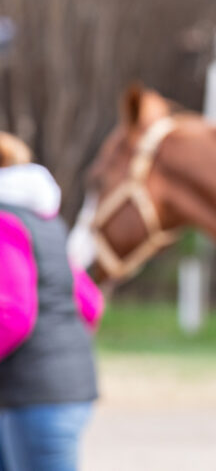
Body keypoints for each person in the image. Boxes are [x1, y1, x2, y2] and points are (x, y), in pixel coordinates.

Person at [0, 133, 103, 471]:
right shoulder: (46, 223)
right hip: (62, 391)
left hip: (35, 396)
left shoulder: (5, 222)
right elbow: (90, 302)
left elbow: (13, 314)